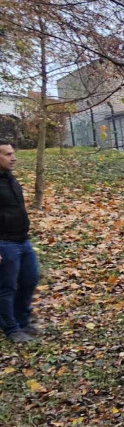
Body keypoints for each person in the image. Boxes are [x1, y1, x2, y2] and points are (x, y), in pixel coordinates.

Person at [0, 141, 40, 344]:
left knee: (30, 279)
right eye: (8, 154)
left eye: (12, 153)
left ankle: (23, 322)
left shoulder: (10, 179)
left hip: (22, 240)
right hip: (4, 243)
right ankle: (11, 328)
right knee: (7, 287)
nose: (13, 158)